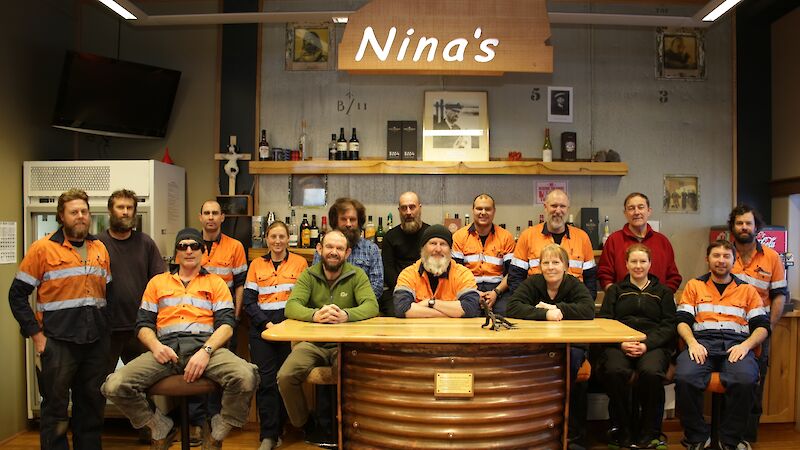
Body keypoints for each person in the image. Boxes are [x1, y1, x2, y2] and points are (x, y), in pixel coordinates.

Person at [102, 228, 258, 450]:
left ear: (202, 252)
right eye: (182, 246)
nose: (188, 250)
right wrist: (155, 347)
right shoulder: (157, 283)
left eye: (194, 246)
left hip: (204, 347)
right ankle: (159, 426)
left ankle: (218, 430)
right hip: (166, 350)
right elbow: (143, 325)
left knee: (246, 375)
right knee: (114, 385)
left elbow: (227, 325)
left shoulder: (216, 283)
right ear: (176, 252)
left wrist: (206, 351)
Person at [8, 189, 111, 450]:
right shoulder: (42, 249)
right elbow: (17, 295)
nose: (80, 217)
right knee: (55, 411)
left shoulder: (99, 248)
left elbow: (105, 293)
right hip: (58, 343)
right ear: (61, 216)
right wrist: (37, 336)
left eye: (84, 212)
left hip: (95, 343)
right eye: (74, 212)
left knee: (91, 408)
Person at [277, 230, 379, 447]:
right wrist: (314, 315)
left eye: (340, 248)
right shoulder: (309, 275)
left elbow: (372, 306)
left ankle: (349, 426)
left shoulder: (357, 275)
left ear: (347, 252)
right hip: (312, 344)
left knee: (346, 375)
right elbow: (291, 307)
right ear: (319, 249)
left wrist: (346, 315)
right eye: (330, 247)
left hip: (343, 345)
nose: (334, 252)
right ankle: (305, 423)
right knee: (285, 376)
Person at [675, 240, 769, 450]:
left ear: (734, 260)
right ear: (707, 259)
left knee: (746, 379)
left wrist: (746, 346)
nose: (721, 260)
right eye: (716, 255)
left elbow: (762, 327)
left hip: (736, 345)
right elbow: (682, 321)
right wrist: (691, 343)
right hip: (702, 344)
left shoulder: (747, 290)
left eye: (726, 256)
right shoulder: (694, 286)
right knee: (684, 377)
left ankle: (731, 440)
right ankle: (697, 437)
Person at [506, 243, 594, 450]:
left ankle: (572, 434)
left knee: (570, 370)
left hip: (572, 345)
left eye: (556, 262)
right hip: (539, 345)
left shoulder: (573, 284)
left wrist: (557, 309)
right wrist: (544, 314)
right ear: (539, 266)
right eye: (545, 262)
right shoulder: (533, 282)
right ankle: (534, 429)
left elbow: (588, 308)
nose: (550, 267)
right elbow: (513, 306)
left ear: (565, 266)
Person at [596, 243, 676, 449]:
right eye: (634, 261)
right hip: (619, 343)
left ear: (650, 264)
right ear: (626, 264)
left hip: (652, 345)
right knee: (614, 371)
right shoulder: (615, 290)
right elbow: (605, 321)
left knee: (650, 372)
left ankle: (649, 432)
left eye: (643, 261)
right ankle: (622, 429)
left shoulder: (663, 292)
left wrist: (646, 345)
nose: (638, 266)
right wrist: (621, 342)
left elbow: (668, 325)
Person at [243, 221, 308, 450]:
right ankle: (268, 435)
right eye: (273, 237)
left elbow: (304, 299)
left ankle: (283, 426)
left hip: (289, 330)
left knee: (284, 380)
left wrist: (286, 326)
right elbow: (249, 302)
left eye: (282, 236)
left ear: (288, 237)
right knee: (266, 382)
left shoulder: (300, 263)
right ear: (266, 239)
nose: (278, 241)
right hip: (263, 331)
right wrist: (266, 324)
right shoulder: (256, 265)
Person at [727, 204, 787, 444]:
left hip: (758, 332)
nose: (744, 227)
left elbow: (780, 295)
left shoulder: (771, 257)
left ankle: (747, 438)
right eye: (739, 223)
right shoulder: (724, 254)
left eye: (748, 223)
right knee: (731, 382)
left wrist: (768, 328)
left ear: (756, 227)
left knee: (754, 384)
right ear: (733, 226)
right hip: (729, 331)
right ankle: (728, 436)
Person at [99, 189, 166, 373]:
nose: (125, 212)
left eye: (130, 207)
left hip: (140, 328)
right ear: (110, 211)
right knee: (98, 385)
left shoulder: (146, 243)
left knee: (142, 383)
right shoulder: (97, 244)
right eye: (120, 207)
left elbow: (160, 282)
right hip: (107, 329)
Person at [508, 189, 597, 298]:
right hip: (537, 303)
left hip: (573, 303)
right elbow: (515, 277)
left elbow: (591, 279)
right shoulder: (527, 236)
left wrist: (585, 304)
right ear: (545, 207)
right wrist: (524, 303)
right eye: (554, 206)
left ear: (568, 210)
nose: (558, 211)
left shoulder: (582, 238)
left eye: (562, 206)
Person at [598, 192, 682, 292]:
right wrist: (615, 296)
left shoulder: (662, 241)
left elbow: (673, 277)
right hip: (623, 304)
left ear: (649, 211)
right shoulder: (614, 240)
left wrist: (663, 297)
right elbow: (604, 275)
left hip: (657, 303)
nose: (636, 212)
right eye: (631, 208)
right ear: (625, 213)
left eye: (641, 207)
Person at [394, 224, 481, 318]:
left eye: (443, 244)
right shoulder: (408, 274)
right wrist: (451, 313)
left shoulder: (463, 274)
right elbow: (401, 308)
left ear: (450, 250)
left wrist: (430, 303)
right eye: (433, 243)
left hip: (454, 331)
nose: (438, 249)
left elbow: (470, 308)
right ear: (423, 248)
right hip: (417, 331)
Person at [451, 193, 515, 315]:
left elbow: (511, 273)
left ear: (494, 211)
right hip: (469, 287)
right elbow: (455, 272)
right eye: (479, 208)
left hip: (498, 288)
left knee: (507, 311)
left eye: (488, 209)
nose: (483, 212)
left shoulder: (506, 237)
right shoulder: (459, 236)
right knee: (466, 312)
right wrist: (474, 293)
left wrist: (496, 292)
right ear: (473, 210)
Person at [313, 197, 383, 299]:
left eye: (352, 219)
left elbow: (377, 286)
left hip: (361, 308)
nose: (348, 224)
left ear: (359, 222)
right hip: (327, 306)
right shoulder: (324, 248)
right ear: (335, 221)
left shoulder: (371, 249)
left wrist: (354, 304)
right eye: (343, 219)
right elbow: (315, 280)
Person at [381, 191, 430, 316]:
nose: (408, 212)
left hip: (428, 290)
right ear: (399, 211)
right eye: (404, 208)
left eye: (412, 207)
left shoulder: (430, 235)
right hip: (398, 290)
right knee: (395, 312)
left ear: (420, 208)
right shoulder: (390, 237)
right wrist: (405, 291)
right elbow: (388, 271)